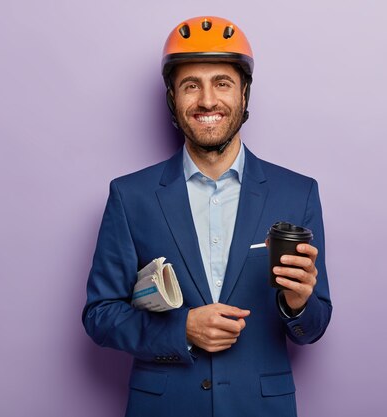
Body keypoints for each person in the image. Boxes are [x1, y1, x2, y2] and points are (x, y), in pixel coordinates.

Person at [82, 16, 332, 417]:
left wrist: (299, 303)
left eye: (222, 83)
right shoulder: (131, 197)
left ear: (245, 94)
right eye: (190, 85)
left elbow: (313, 328)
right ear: (172, 99)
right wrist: (179, 330)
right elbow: (100, 316)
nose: (207, 101)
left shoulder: (297, 193)